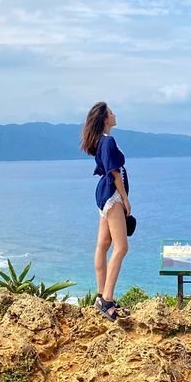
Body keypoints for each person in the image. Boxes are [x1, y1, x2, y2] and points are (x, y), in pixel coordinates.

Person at [81, 101, 131, 321]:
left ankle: (100, 294)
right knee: (121, 247)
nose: (114, 114)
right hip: (112, 194)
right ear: (104, 118)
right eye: (111, 112)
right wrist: (125, 199)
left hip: (102, 195)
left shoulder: (101, 142)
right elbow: (114, 172)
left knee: (103, 245)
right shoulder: (108, 141)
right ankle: (107, 299)